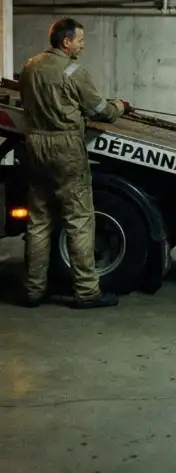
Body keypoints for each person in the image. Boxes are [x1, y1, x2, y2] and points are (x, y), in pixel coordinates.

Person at [18, 17, 132, 309]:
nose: (83, 45)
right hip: (65, 146)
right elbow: (100, 110)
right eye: (80, 40)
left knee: (39, 221)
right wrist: (120, 106)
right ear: (66, 42)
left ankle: (33, 291)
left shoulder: (30, 67)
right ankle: (87, 291)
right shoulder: (74, 71)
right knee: (79, 220)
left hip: (35, 144)